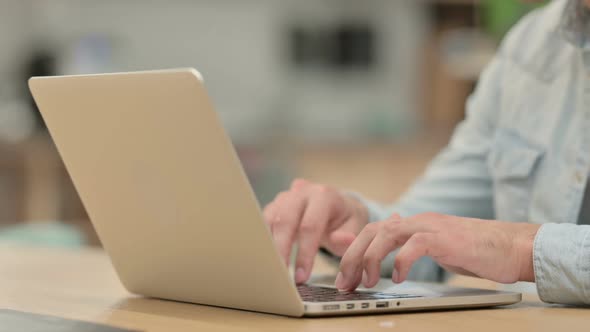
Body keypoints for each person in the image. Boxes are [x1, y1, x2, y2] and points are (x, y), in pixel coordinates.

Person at [263, 0, 590, 305]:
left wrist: (520, 250)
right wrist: (359, 226)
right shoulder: (530, 48)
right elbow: (429, 232)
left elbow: (502, 245)